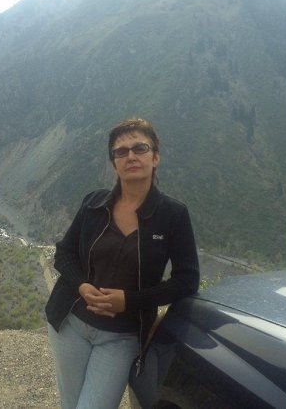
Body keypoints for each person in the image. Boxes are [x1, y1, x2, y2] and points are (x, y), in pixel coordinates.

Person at [45, 118, 200, 409]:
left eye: (140, 148)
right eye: (121, 151)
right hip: (70, 324)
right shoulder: (94, 204)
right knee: (71, 404)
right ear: (114, 163)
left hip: (121, 336)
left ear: (155, 157)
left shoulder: (173, 215)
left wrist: (130, 301)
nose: (130, 156)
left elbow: (187, 280)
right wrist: (82, 286)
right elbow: (64, 253)